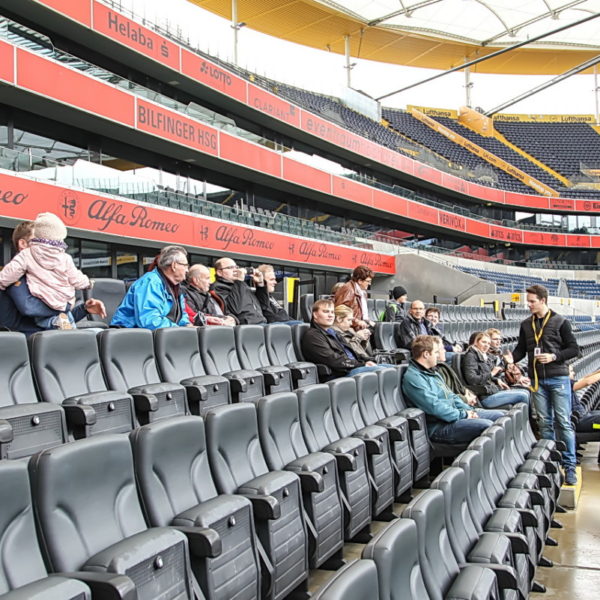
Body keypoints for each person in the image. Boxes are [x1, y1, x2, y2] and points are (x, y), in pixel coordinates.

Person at [512, 284, 579, 485]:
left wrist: (554, 356)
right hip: (537, 381)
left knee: (563, 423)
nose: (529, 305)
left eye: (532, 301)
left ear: (543, 300)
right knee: (544, 423)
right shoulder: (526, 324)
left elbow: (574, 349)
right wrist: (510, 359)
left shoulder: (560, 322)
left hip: (558, 377)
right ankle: (550, 464)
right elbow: (521, 350)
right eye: (528, 301)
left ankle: (569, 466)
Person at [0, 220, 106, 335]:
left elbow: (59, 320)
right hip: (29, 342)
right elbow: (30, 309)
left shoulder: (48, 273)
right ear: (23, 244)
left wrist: (84, 309)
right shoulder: (14, 278)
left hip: (50, 335)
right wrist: (66, 306)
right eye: (39, 241)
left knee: (99, 332)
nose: (48, 246)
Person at [402, 335, 504, 444]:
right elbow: (435, 407)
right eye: (436, 352)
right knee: (487, 425)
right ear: (426, 354)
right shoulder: (414, 378)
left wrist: (469, 410)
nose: (439, 355)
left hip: (455, 416)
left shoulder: (433, 372)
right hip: (438, 427)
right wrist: (464, 415)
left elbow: (451, 396)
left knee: (501, 417)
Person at [301, 299, 393, 380]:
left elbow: (353, 352)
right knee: (384, 372)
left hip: (352, 368)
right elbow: (333, 360)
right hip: (340, 375)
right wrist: (362, 364)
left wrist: (369, 360)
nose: (330, 315)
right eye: (325, 312)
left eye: (332, 312)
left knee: (393, 369)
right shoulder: (313, 336)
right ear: (315, 315)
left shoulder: (333, 333)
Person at [111, 245, 190, 330]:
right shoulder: (150, 282)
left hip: (158, 335)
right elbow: (149, 320)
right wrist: (179, 330)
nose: (187, 270)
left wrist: (188, 327)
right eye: (185, 265)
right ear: (174, 266)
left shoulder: (176, 286)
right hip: (128, 335)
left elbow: (182, 317)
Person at [462, 331, 530, 409]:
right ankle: (531, 420)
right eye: (484, 342)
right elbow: (472, 379)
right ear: (476, 342)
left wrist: (496, 380)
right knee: (523, 395)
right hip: (485, 397)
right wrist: (492, 373)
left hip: (492, 390)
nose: (486, 345)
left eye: (488, 343)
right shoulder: (471, 356)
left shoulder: (483, 356)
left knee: (526, 392)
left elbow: (488, 374)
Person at [211, 258, 267, 325]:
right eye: (231, 267)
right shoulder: (218, 287)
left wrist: (260, 285)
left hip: (262, 323)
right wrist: (239, 281)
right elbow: (236, 309)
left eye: (236, 267)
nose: (236, 270)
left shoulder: (241, 284)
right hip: (246, 326)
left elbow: (264, 306)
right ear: (219, 272)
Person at [333, 265, 374, 330]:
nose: (370, 284)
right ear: (360, 281)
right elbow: (340, 311)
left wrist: (367, 321)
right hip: (350, 328)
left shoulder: (362, 292)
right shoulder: (348, 289)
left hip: (359, 326)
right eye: (368, 281)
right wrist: (357, 321)